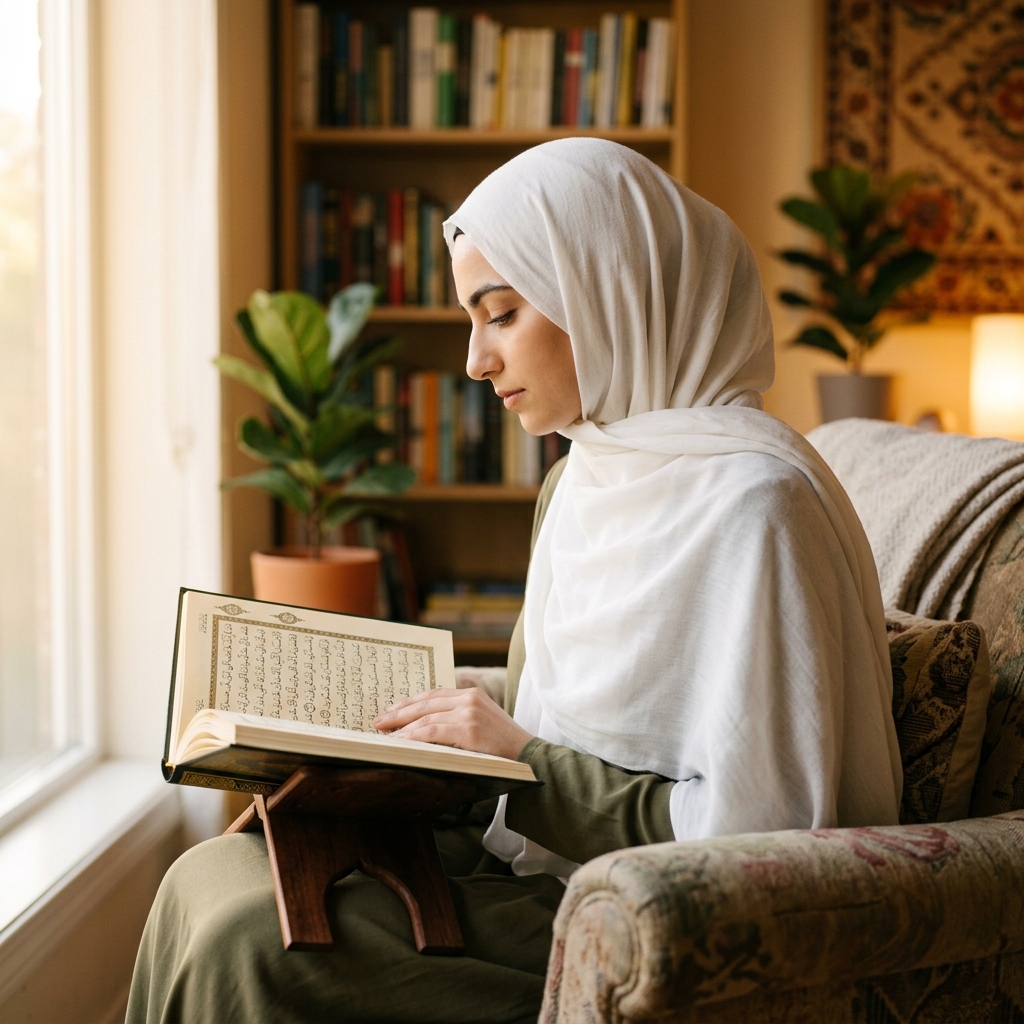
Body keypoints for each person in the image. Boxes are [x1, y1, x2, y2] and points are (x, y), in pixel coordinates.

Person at [126, 139, 902, 1024]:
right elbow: (539, 713)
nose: (474, 362)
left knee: (246, 940)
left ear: (609, 293)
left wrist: (524, 760)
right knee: (204, 875)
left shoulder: (757, 508)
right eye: (470, 319)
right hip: (529, 854)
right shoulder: (584, 475)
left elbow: (764, 841)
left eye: (500, 314)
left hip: (636, 931)